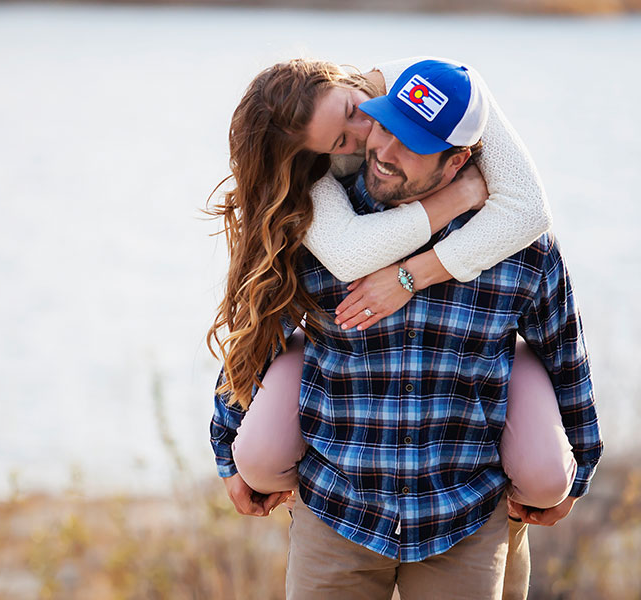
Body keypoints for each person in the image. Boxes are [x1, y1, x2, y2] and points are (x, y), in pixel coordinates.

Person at [209, 59, 602, 598]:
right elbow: (262, 334)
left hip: (462, 516)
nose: (382, 151)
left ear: (458, 159)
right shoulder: (326, 226)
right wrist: (226, 451)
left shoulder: (517, 245)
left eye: (412, 144)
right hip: (339, 510)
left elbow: (564, 353)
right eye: (386, 125)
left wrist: (579, 474)